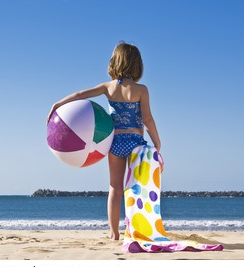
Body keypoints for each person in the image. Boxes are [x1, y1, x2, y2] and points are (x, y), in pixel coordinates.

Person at [47, 41, 163, 240]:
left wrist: (58, 103)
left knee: (115, 188)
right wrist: (157, 143)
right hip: (136, 142)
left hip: (115, 143)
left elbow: (80, 95)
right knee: (136, 188)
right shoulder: (141, 89)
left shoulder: (108, 87)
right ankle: (138, 228)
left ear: (114, 62)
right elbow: (148, 119)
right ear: (137, 64)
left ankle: (114, 232)